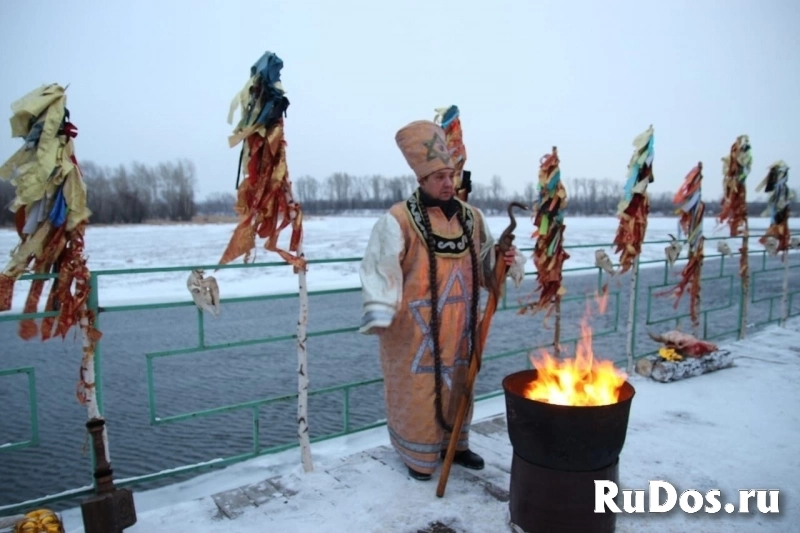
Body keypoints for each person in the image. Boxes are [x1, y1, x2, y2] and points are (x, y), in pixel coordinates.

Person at [358, 119, 525, 481]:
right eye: (439, 178)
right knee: (417, 392)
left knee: (460, 384)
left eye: (451, 176)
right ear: (421, 181)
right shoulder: (399, 219)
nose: (448, 183)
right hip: (412, 331)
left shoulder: (471, 217)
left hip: (461, 327)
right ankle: (417, 456)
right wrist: (381, 309)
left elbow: (485, 264)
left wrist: (501, 262)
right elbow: (379, 265)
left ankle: (456, 446)